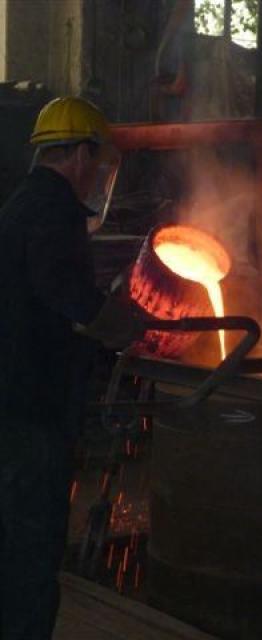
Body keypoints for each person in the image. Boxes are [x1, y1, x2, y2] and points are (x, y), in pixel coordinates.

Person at [0, 96, 145, 639]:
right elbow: (65, 293)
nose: (101, 174)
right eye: (100, 160)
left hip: (13, 399)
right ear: (82, 154)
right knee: (33, 548)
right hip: (33, 408)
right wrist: (121, 324)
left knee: (11, 541)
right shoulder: (55, 211)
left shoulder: (22, 203)